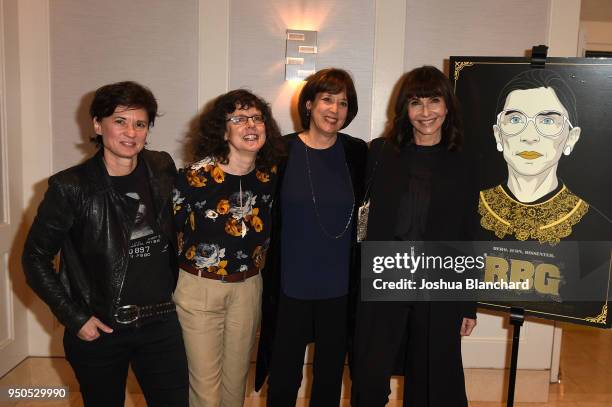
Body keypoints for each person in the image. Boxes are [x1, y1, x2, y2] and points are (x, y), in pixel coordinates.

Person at [22, 81, 189, 406]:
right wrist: (74, 318)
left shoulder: (161, 166)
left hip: (160, 322)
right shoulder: (70, 187)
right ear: (98, 125)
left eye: (140, 124)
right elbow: (34, 258)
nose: (131, 132)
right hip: (99, 328)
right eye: (120, 121)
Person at [351, 66, 478, 407]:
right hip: (385, 274)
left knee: (434, 375)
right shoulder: (379, 153)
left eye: (434, 101)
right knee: (370, 372)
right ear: (404, 109)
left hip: (439, 278)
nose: (426, 113)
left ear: (447, 106)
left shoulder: (464, 161)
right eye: (416, 102)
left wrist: (468, 301)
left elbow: (469, 232)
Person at [255, 68, 367, 406]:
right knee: (284, 378)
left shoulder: (358, 153)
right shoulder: (279, 151)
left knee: (329, 379)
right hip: (290, 286)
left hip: (340, 287)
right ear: (309, 104)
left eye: (343, 103)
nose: (334, 109)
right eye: (327, 99)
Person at [172, 89, 284, 407]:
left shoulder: (268, 177)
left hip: (248, 288)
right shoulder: (192, 178)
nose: (250, 125)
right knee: (206, 394)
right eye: (238, 118)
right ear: (223, 130)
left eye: (256, 117)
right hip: (199, 289)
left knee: (235, 390)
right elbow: (171, 235)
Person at [479, 68, 611, 244]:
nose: (529, 137)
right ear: (498, 134)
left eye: (548, 121)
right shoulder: (465, 211)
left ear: (571, 138)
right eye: (515, 120)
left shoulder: (598, 230)